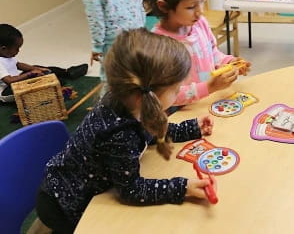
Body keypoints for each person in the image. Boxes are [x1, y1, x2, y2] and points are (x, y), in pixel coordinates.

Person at [36, 28, 216, 233]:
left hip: (69, 182)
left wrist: (190, 128)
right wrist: (181, 188)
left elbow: (150, 129)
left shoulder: (129, 101)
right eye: (176, 90)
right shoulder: (120, 134)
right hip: (65, 204)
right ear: (147, 98)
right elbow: (131, 190)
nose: (179, 93)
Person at [148, 0, 251, 106]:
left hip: (209, 101)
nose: (200, 11)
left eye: (202, 1)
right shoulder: (158, 44)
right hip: (182, 114)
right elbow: (163, 98)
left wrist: (229, 62)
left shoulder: (199, 23)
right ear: (164, 6)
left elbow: (212, 53)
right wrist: (208, 87)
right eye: (191, 6)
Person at [0, 24, 87, 103]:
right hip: (8, 90)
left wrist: (36, 69)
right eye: (17, 48)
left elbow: (18, 64)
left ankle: (67, 72)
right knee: (33, 79)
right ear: (3, 49)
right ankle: (52, 82)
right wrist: (30, 74)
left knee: (37, 68)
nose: (19, 51)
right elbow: (9, 81)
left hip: (17, 81)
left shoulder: (7, 55)